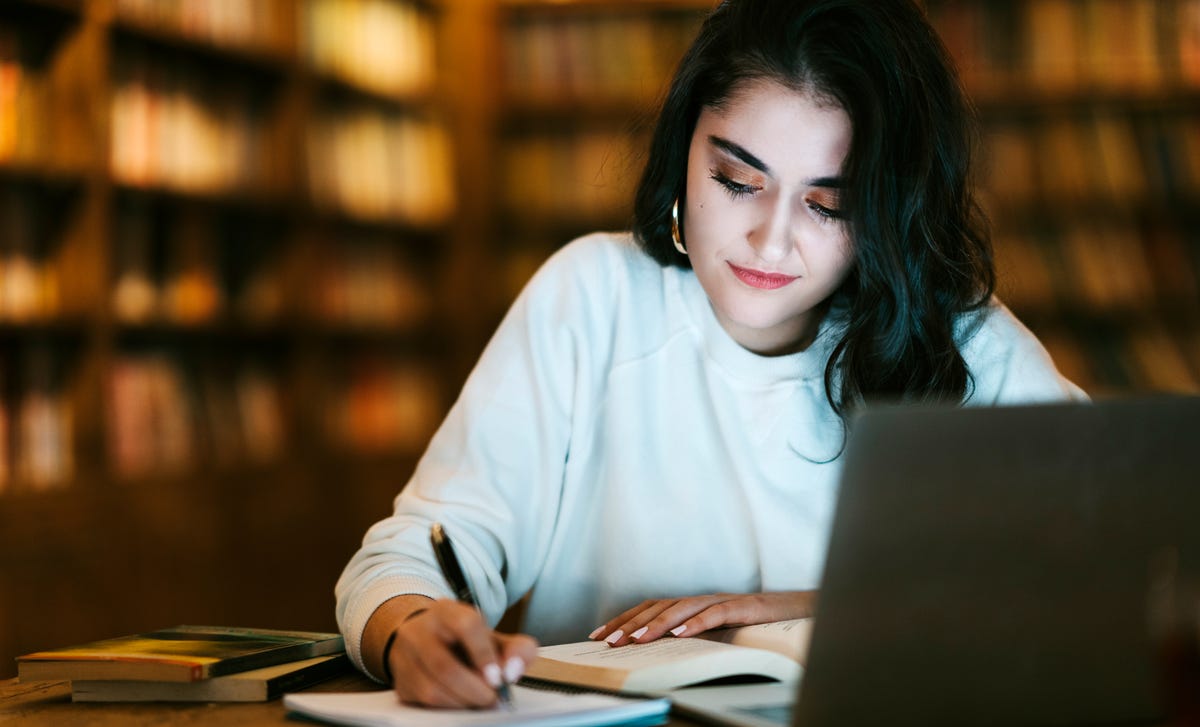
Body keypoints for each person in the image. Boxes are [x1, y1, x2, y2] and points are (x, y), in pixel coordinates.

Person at [336, 0, 1086, 709]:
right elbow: (410, 557)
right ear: (684, 149)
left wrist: (798, 608)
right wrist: (412, 630)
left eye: (829, 204)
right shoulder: (593, 298)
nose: (770, 240)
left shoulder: (963, 346)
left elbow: (1106, 572)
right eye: (736, 180)